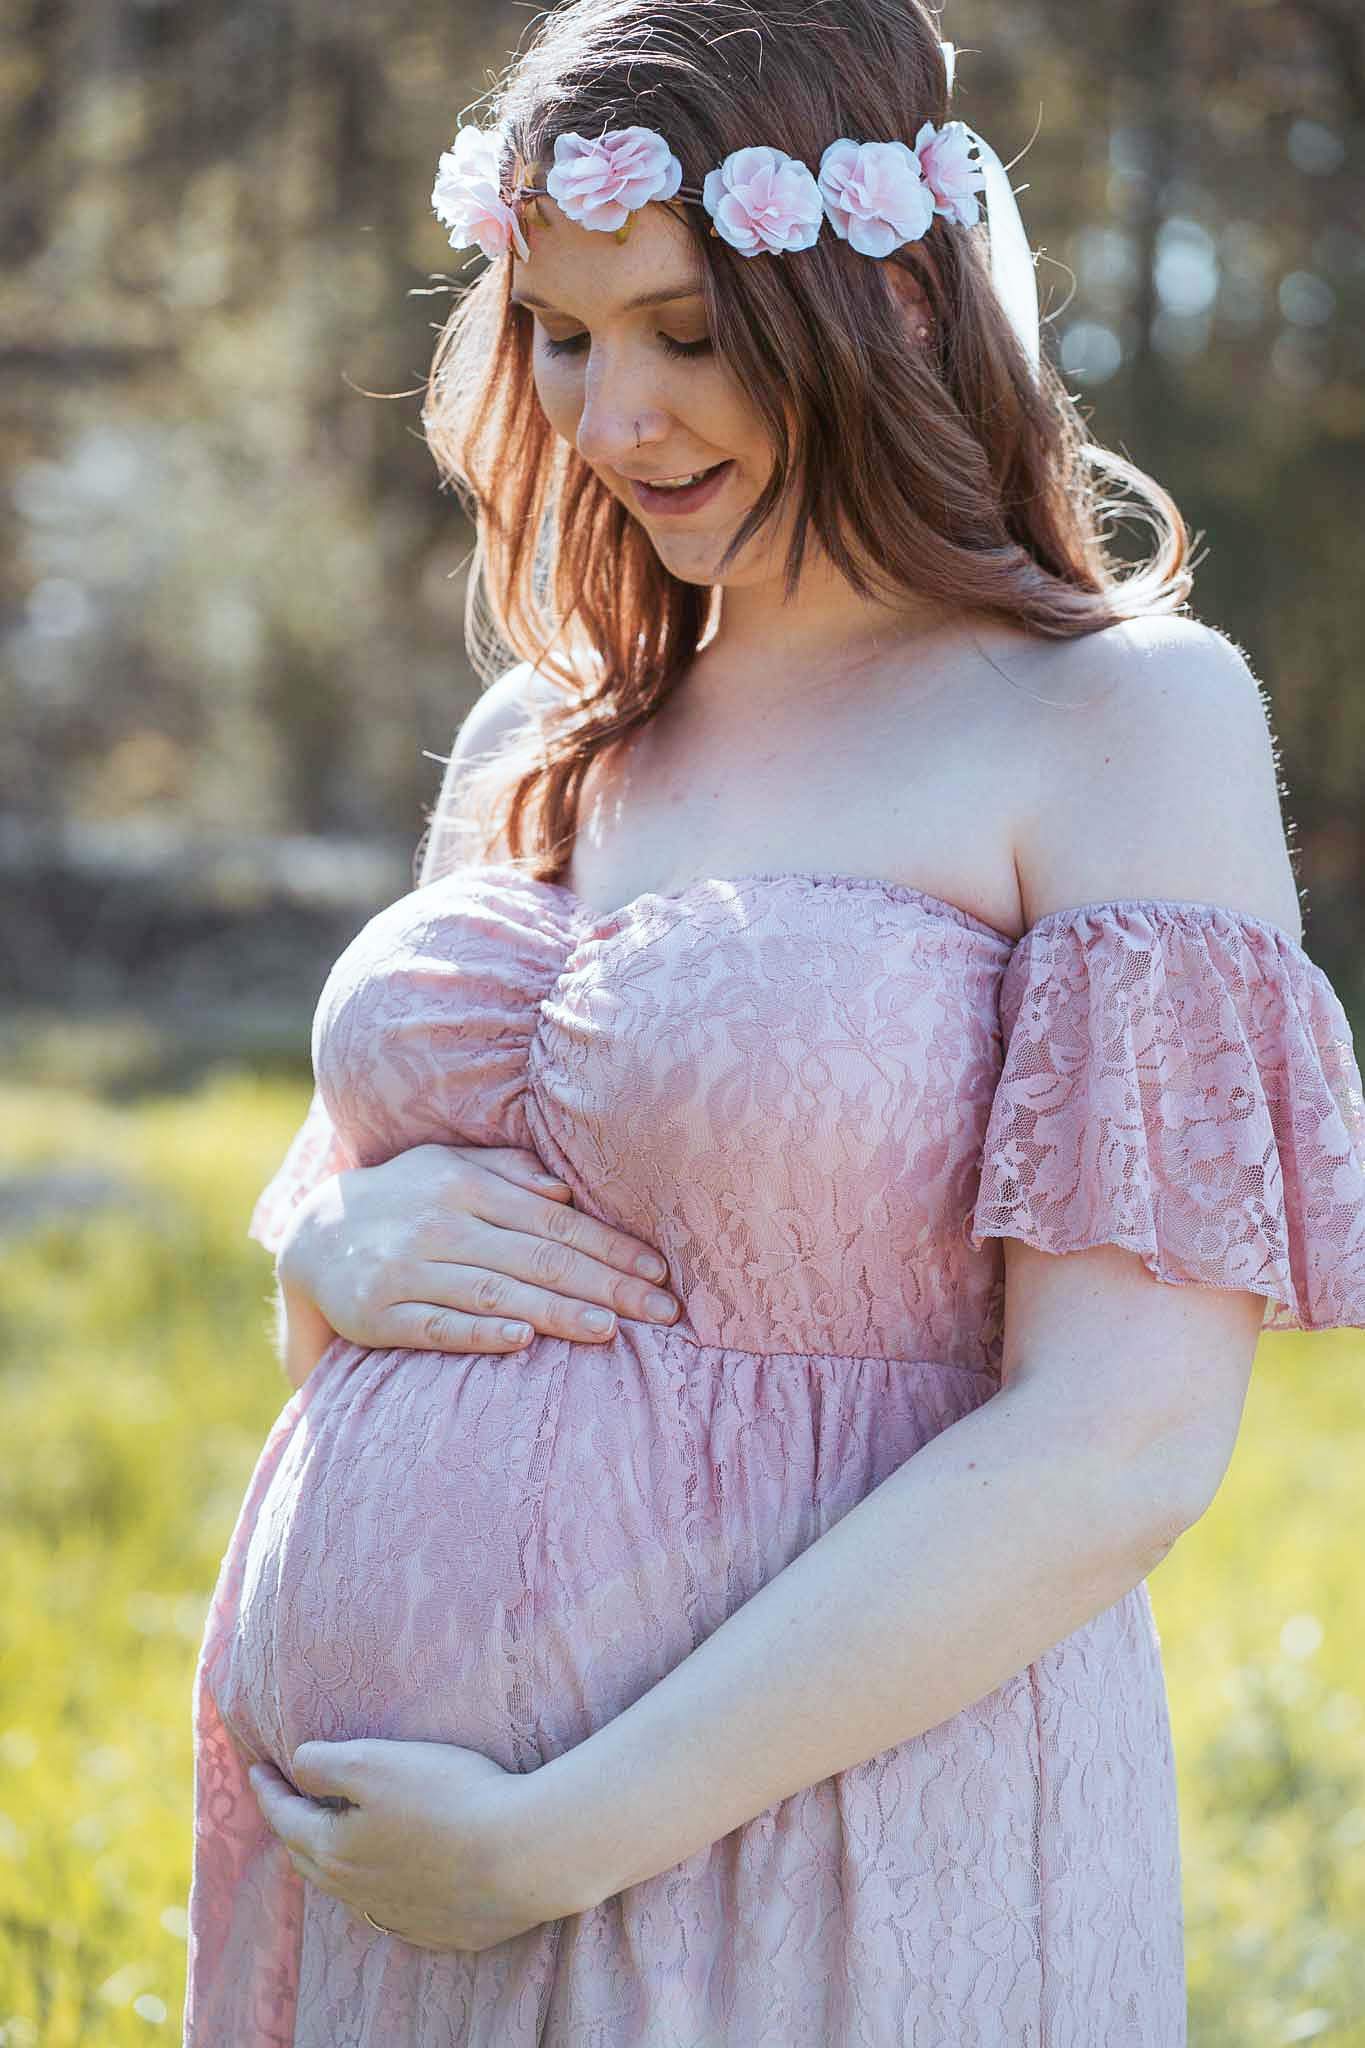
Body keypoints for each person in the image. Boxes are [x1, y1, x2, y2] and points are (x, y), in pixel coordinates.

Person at [183, 2, 1365, 2042]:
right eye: (559, 332)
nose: (611, 412)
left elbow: (1118, 1440)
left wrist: (560, 1830)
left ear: (886, 299)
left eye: (682, 329)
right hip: (396, 1885)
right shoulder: (534, 739)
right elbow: (383, 1283)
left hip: (816, 1860)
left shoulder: (1110, 721)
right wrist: (323, 1240)